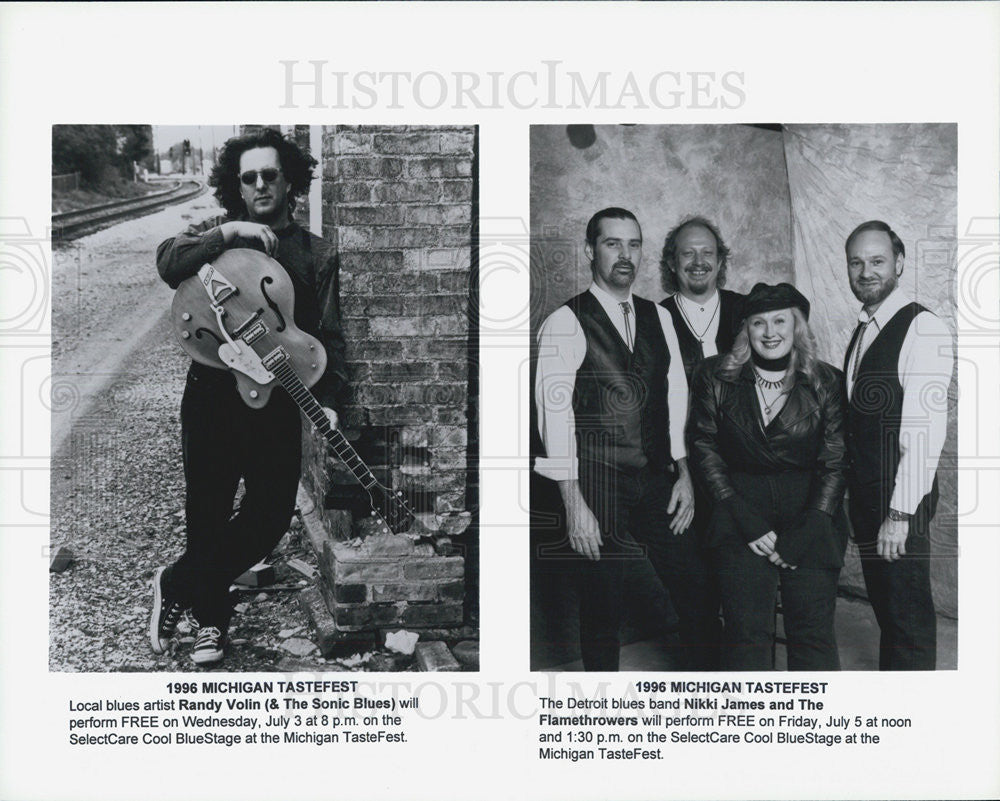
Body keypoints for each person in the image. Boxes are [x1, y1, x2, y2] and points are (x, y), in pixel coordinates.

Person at [149, 128, 347, 665]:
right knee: (208, 507)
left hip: (279, 399)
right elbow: (168, 263)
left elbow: (328, 334)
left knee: (271, 511)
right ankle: (211, 624)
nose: (260, 185)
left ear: (290, 181)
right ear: (237, 185)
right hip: (213, 393)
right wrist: (229, 232)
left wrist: (327, 395)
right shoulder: (218, 232)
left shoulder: (315, 252)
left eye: (270, 175)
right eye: (249, 177)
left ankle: (180, 580)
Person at [534, 206, 720, 672]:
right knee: (603, 605)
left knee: (697, 588)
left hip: (657, 476)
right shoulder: (566, 321)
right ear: (589, 250)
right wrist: (574, 503)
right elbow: (552, 416)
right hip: (597, 482)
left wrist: (684, 475)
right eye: (612, 243)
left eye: (633, 244)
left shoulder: (659, 316)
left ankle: (712, 702)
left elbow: (676, 395)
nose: (625, 255)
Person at [689, 282, 847, 671]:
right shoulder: (714, 375)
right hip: (739, 510)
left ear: (797, 327)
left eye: (780, 321)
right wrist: (741, 516)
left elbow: (836, 459)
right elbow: (703, 446)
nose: (770, 332)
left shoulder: (827, 380)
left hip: (810, 511)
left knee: (812, 634)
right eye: (758, 323)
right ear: (746, 330)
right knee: (746, 634)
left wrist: (810, 527)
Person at [842, 220, 953, 670]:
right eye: (856, 262)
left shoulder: (922, 328)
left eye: (877, 261)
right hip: (872, 499)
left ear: (900, 263)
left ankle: (914, 722)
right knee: (891, 616)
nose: (866, 271)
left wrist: (899, 515)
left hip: (899, 504)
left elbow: (924, 435)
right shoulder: (866, 328)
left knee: (907, 623)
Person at [659, 216, 744, 382]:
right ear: (672, 263)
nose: (698, 262)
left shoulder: (745, 309)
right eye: (688, 253)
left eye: (707, 253)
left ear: (719, 262)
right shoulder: (657, 318)